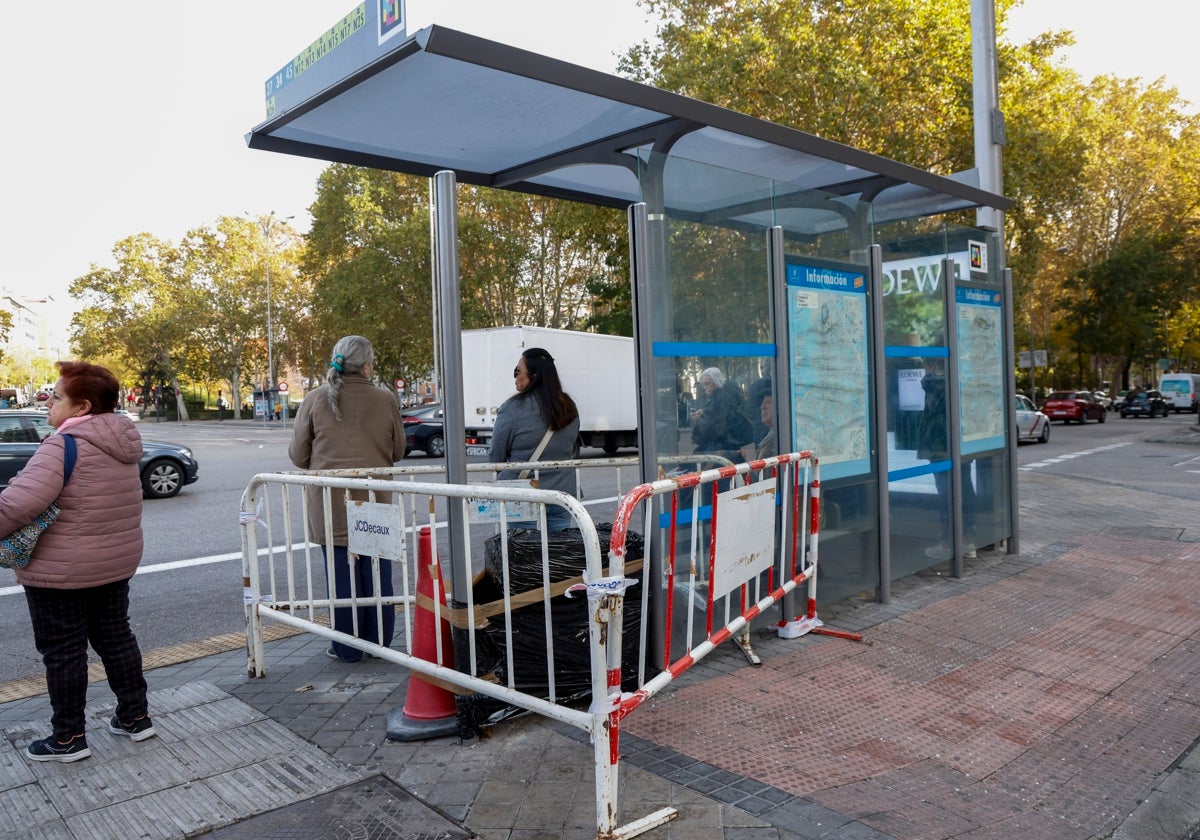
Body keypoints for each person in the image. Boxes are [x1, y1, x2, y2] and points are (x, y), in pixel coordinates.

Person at [0, 361, 153, 762]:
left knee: (64, 651)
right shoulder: (123, 443)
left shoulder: (63, 445)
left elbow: (17, 505)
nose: (48, 401)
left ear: (82, 406)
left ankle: (67, 739)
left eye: (56, 396)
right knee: (116, 638)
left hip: (60, 571)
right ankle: (136, 717)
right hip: (113, 563)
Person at [289, 336, 406, 663]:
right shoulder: (385, 399)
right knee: (378, 576)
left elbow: (298, 456)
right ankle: (380, 643)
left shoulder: (314, 399)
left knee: (341, 578)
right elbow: (397, 451)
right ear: (368, 365)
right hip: (374, 500)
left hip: (331, 504)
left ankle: (347, 648)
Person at [489, 347, 581, 532]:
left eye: (517, 371)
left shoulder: (512, 408)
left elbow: (496, 456)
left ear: (533, 375)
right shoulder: (569, 407)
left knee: (524, 553)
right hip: (562, 493)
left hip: (524, 493)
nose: (515, 376)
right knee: (558, 553)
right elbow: (571, 447)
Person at [689, 366, 751, 461]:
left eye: (707, 384)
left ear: (716, 382)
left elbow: (717, 424)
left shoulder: (721, 398)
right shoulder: (721, 398)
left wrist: (701, 418)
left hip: (721, 447)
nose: (705, 388)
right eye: (704, 385)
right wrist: (704, 414)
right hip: (726, 446)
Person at [756, 393, 777, 460]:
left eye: (767, 402)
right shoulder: (765, 433)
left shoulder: (772, 440)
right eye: (762, 402)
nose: (762, 407)